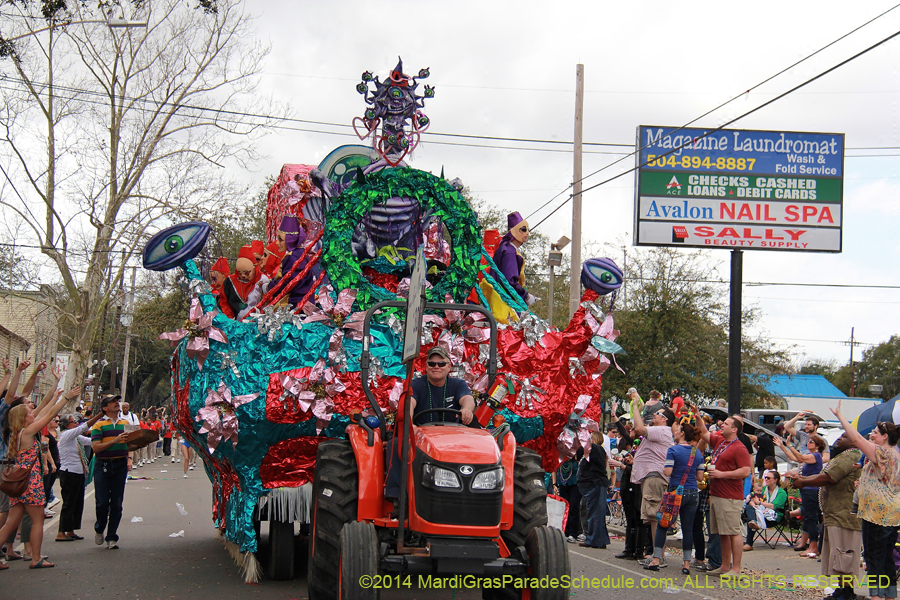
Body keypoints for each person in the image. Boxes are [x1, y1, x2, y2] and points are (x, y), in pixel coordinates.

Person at [384, 347, 475, 504]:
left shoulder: (457, 384)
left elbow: (467, 399)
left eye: (441, 364)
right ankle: (397, 495)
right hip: (421, 437)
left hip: (452, 438)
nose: (436, 367)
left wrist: (466, 409)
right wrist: (410, 423)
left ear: (449, 366)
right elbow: (409, 404)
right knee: (396, 444)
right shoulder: (417, 384)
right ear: (426, 366)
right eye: (432, 364)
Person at [829, 400, 899, 600]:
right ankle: (889, 596)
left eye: (875, 432)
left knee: (874, 557)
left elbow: (856, 439)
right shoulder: (895, 455)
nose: (871, 435)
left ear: (885, 437)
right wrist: (866, 484)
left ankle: (876, 597)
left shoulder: (882, 452)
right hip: (891, 514)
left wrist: (840, 417)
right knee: (886, 558)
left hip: (878, 514)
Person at [0, 385, 70, 570]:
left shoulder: (15, 434)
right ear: (23, 418)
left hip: (19, 482)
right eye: (30, 413)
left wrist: (55, 397)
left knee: (10, 523)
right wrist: (65, 399)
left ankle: (32, 556)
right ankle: (36, 557)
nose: (33, 414)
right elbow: (49, 415)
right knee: (38, 520)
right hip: (31, 481)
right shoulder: (28, 432)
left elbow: (45, 412)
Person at [789, 433, 863, 600]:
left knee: (844, 555)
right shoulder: (844, 456)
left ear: (854, 442)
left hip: (844, 515)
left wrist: (804, 481)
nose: (839, 439)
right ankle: (843, 590)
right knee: (839, 555)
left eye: (844, 436)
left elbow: (828, 478)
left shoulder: (852, 455)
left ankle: (846, 592)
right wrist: (803, 478)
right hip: (837, 514)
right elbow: (825, 475)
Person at [645, 417, 703, 574]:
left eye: (677, 430)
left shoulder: (673, 450)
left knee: (663, 524)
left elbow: (667, 472)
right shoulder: (697, 452)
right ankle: (686, 564)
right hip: (692, 492)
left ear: (682, 434)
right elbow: (700, 477)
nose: (675, 432)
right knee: (688, 528)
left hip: (675, 492)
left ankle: (656, 559)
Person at [700, 414, 752, 578]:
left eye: (726, 424)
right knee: (721, 532)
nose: (722, 424)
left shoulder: (739, 448)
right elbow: (703, 433)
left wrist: (722, 474)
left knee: (733, 531)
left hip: (730, 496)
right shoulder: (720, 441)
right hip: (716, 494)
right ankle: (724, 566)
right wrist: (697, 416)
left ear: (734, 429)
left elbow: (746, 471)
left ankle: (736, 569)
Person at [630, 402, 676, 566]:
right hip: (652, 476)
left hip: (655, 476)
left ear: (664, 419)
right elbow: (637, 430)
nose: (654, 414)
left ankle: (658, 557)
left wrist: (635, 406)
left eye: (658, 413)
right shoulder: (660, 430)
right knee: (652, 517)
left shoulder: (662, 430)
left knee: (655, 516)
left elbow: (639, 429)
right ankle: (657, 555)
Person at [54, 409, 101, 542]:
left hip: (78, 472)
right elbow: (83, 428)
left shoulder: (76, 438)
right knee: (69, 503)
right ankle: (61, 532)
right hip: (69, 472)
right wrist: (100, 415)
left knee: (77, 502)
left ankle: (70, 530)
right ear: (66, 425)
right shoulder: (66, 435)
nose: (76, 423)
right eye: (73, 422)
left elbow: (90, 441)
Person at [91, 395, 130, 549]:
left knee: (117, 503)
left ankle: (111, 536)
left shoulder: (126, 423)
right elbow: (96, 447)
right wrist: (115, 440)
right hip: (103, 465)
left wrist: (142, 441)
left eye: (117, 401)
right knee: (102, 502)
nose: (116, 403)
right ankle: (99, 528)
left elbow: (132, 443)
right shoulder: (98, 425)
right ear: (105, 408)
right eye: (113, 402)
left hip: (120, 464)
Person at [776, 432, 826, 555]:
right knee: (808, 517)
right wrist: (783, 446)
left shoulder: (816, 455)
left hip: (812, 490)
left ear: (818, 446)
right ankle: (810, 545)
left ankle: (813, 546)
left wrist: (790, 445)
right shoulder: (810, 456)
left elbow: (800, 458)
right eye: (808, 442)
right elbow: (795, 458)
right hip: (806, 489)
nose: (808, 443)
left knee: (810, 518)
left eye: (811, 442)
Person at [269, 216, 316, 309]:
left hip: (293, 306)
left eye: (280, 239)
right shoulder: (302, 253)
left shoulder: (292, 257)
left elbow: (287, 284)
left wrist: (269, 287)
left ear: (290, 239)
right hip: (305, 304)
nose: (277, 243)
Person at [491, 211, 535, 306]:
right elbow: (509, 281)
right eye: (523, 229)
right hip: (505, 303)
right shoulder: (509, 252)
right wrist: (525, 296)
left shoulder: (505, 249)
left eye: (527, 230)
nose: (527, 233)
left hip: (500, 299)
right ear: (514, 231)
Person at [577, 430, 611, 549]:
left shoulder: (596, 449)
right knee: (596, 513)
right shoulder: (596, 451)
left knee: (595, 513)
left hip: (594, 485)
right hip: (593, 485)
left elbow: (581, 449)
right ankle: (599, 539)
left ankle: (593, 539)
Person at [742, 470, 787, 551]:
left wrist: (759, 502)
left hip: (773, 517)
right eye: (765, 477)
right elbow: (752, 498)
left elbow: (773, 506)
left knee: (753, 516)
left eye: (768, 478)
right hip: (759, 513)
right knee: (749, 508)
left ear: (775, 480)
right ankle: (753, 522)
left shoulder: (781, 493)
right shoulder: (762, 489)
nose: (765, 479)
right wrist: (752, 502)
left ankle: (749, 543)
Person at [222, 245, 270, 320]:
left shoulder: (263, 280)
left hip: (257, 322)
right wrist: (230, 319)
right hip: (235, 322)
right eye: (240, 273)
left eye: (246, 273)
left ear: (254, 268)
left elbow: (268, 301)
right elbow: (224, 302)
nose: (243, 276)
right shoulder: (229, 282)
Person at [552, 451, 582, 544]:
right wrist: (554, 483)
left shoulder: (576, 459)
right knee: (564, 508)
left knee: (573, 507)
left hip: (575, 484)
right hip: (563, 483)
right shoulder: (560, 458)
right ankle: (565, 531)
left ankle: (573, 533)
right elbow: (554, 469)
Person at [119, 402, 140, 471]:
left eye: (126, 408)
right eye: (123, 408)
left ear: (129, 408)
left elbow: (137, 426)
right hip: (121, 436)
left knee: (133, 450)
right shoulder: (119, 415)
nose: (125, 409)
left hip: (131, 435)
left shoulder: (133, 416)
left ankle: (134, 463)